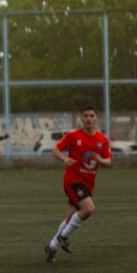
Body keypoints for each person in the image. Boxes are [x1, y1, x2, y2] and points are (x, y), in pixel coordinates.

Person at [44, 105, 112, 263]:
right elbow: (56, 151)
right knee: (88, 208)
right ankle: (63, 237)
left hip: (88, 184)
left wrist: (101, 160)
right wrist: (65, 159)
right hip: (72, 181)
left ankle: (52, 246)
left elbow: (109, 161)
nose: (89, 118)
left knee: (69, 219)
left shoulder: (102, 140)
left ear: (96, 119)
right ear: (81, 118)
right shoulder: (73, 136)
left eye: (92, 115)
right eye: (86, 115)